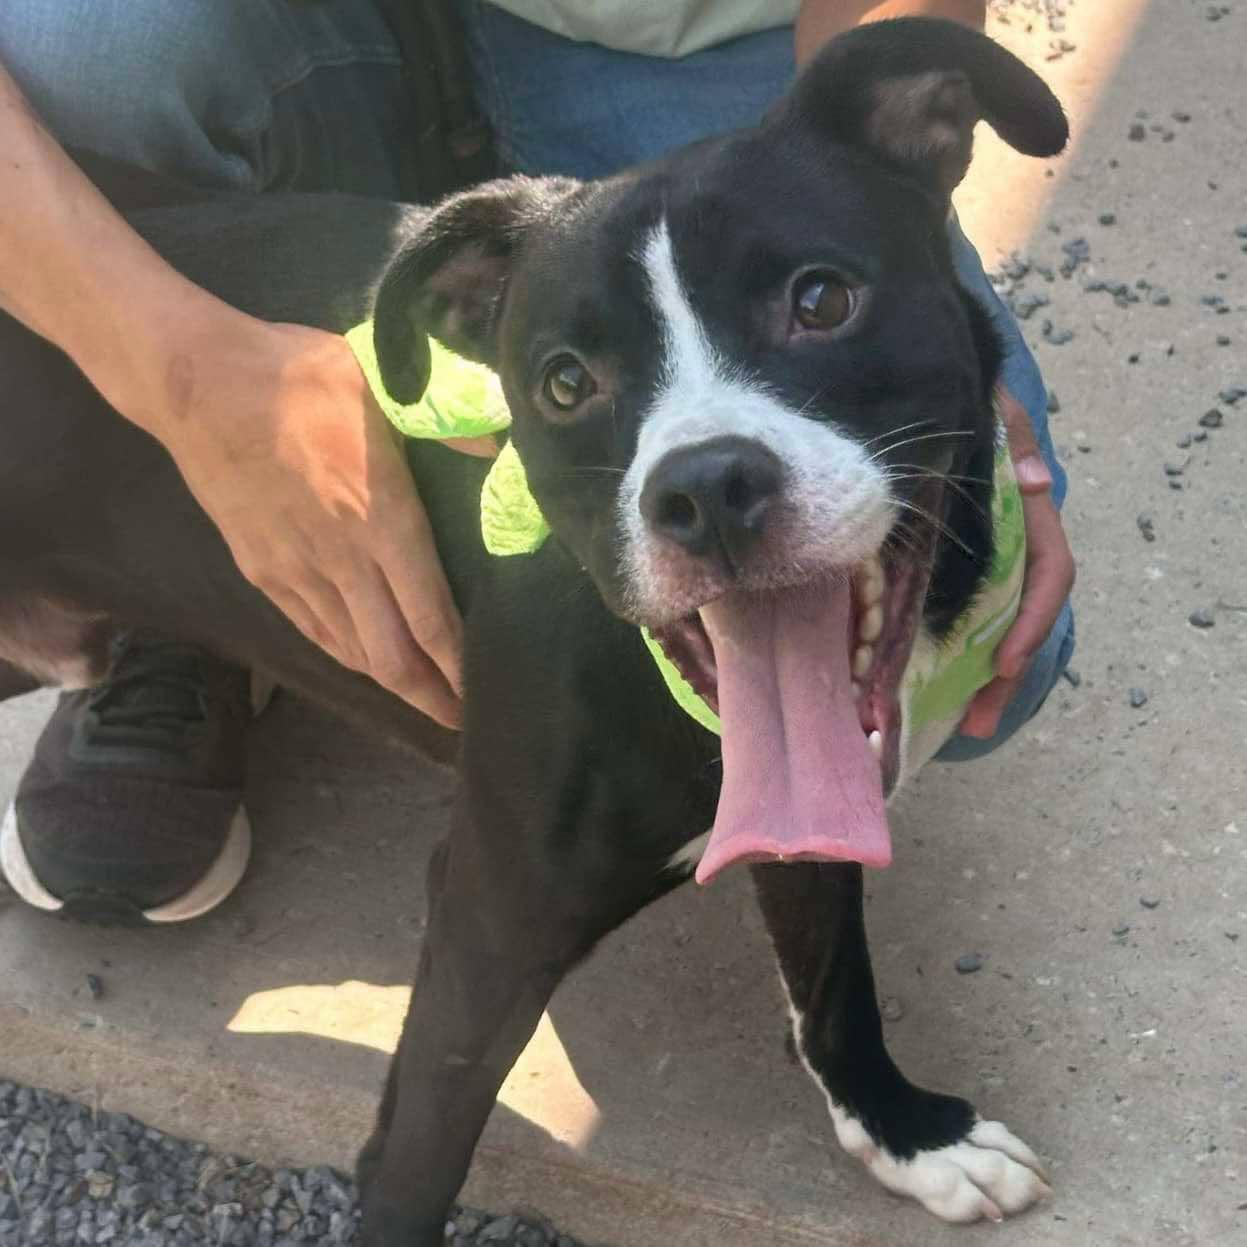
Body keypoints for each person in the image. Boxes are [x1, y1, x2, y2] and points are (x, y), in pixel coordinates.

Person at [0, 0, 1074, 922]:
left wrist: (900, 312)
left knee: (982, 624)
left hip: (658, 30)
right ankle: (181, 582)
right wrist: (185, 381)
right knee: (90, 40)